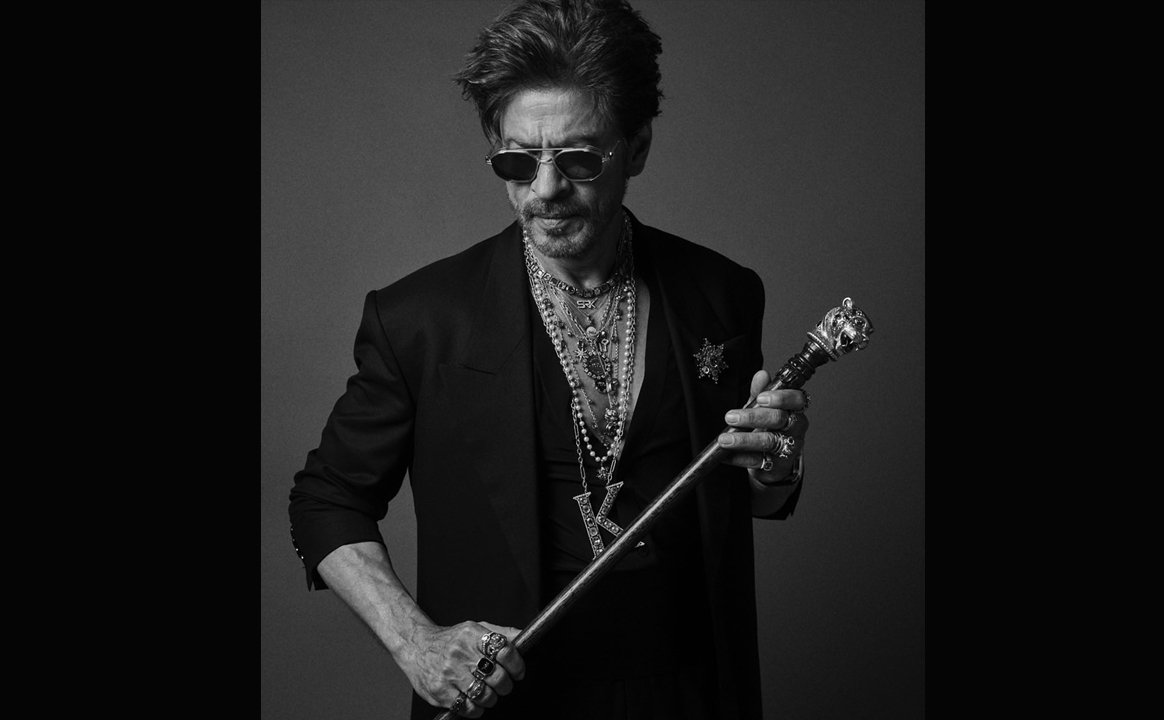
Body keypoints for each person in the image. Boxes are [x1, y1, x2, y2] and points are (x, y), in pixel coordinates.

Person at [288, 1, 809, 718]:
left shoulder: (722, 294)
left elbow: (743, 496)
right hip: (511, 700)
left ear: (638, 147)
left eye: (579, 159)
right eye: (517, 161)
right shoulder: (419, 319)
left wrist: (776, 468)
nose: (545, 190)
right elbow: (325, 501)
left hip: (690, 689)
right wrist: (416, 642)